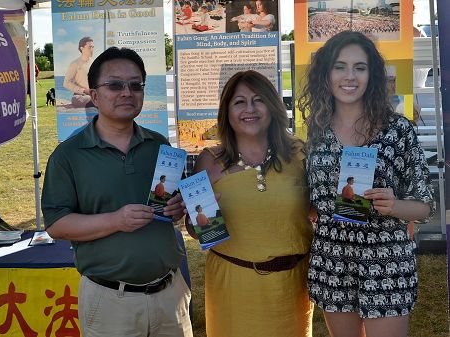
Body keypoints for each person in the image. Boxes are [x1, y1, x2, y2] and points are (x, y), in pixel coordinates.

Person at [42, 47, 193, 337]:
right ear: (95, 95)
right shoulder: (68, 156)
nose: (127, 92)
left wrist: (176, 207)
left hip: (170, 294)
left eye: (136, 85)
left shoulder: (159, 145)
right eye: (115, 84)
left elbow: (168, 207)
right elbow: (56, 224)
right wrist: (116, 220)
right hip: (111, 301)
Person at [298, 31, 434, 337]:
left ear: (371, 75)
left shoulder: (398, 129)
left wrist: (395, 205)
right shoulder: (317, 131)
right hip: (333, 260)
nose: (349, 76)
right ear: (326, 73)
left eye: (359, 67)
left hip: (384, 261)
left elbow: (425, 207)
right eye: (340, 66)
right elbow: (310, 202)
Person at [187, 70, 313, 337]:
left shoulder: (299, 153)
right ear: (227, 112)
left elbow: (314, 210)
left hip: (292, 289)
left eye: (258, 100)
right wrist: (200, 219)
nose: (250, 109)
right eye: (239, 102)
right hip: (234, 287)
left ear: (272, 106)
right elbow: (195, 229)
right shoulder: (209, 162)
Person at [63, 37, 95, 108]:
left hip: (94, 94)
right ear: (82, 48)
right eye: (89, 47)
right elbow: (66, 83)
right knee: (78, 100)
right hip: (80, 96)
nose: (92, 50)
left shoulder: (94, 63)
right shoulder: (75, 64)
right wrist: (84, 91)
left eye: (93, 47)